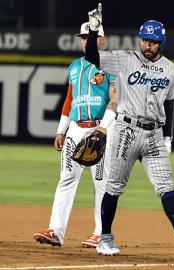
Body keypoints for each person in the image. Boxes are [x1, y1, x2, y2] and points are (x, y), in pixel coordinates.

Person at [84, 4, 174, 256]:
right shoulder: (126, 58)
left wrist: (168, 137)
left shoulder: (170, 68)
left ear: (161, 43)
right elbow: (91, 57)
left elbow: (170, 103)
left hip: (154, 133)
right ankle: (105, 238)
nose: (147, 45)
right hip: (126, 129)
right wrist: (93, 29)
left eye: (153, 42)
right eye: (144, 40)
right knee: (114, 186)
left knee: (166, 185)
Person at [33, 22, 116, 248]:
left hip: (101, 128)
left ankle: (101, 232)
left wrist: (104, 128)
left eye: (89, 37)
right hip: (75, 129)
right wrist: (61, 129)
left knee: (101, 182)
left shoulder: (111, 66)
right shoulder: (74, 66)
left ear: (101, 39)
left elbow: (116, 100)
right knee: (67, 179)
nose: (84, 41)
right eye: (82, 37)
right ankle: (56, 231)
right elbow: (69, 100)